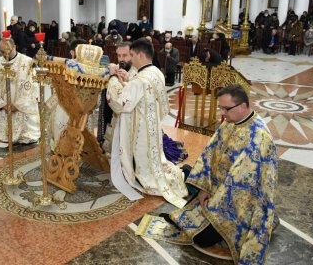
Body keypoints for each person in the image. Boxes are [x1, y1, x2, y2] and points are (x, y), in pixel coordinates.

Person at [155, 84, 277, 265]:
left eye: (226, 108)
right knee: (189, 184)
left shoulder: (258, 138)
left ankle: (271, 221)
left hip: (242, 203)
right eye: (221, 107)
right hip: (216, 189)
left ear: (243, 106)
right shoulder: (229, 122)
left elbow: (241, 186)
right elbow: (209, 154)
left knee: (201, 238)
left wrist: (212, 201)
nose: (222, 113)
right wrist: (204, 188)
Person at [107, 38, 189, 208]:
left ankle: (145, 178)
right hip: (153, 124)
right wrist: (127, 79)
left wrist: (113, 80)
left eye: (132, 55)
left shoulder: (140, 81)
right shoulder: (155, 72)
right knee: (155, 157)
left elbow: (119, 103)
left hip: (141, 128)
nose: (130, 58)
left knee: (145, 163)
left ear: (141, 55)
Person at [0, 37, 40, 144]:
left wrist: (18, 105)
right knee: (7, 134)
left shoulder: (28, 62)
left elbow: (32, 87)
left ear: (14, 47)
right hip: (6, 107)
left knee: (26, 136)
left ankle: (25, 133)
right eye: (2, 51)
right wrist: (2, 105)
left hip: (21, 107)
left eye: (8, 51)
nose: (5, 54)